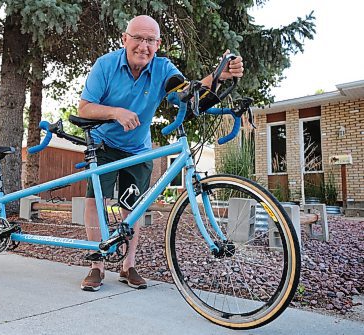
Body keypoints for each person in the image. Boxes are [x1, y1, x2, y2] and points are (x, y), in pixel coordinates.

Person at [78, 15, 244, 291]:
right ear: (125, 39)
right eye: (138, 38)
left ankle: (128, 265)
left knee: (133, 208)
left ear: (158, 44)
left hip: (138, 149)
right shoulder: (105, 66)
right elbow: (84, 108)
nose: (143, 45)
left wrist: (218, 76)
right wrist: (115, 112)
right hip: (103, 144)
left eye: (150, 40)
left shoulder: (163, 68)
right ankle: (96, 266)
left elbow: (185, 92)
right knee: (95, 203)